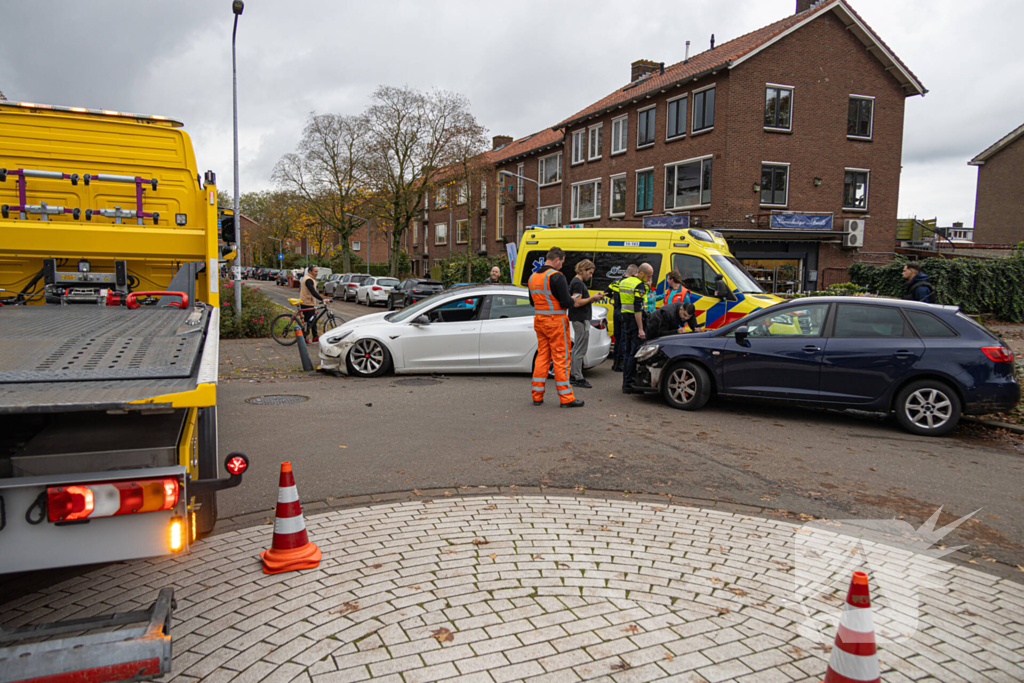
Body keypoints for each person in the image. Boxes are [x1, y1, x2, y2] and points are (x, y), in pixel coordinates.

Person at [529, 247, 584, 408]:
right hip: (556, 322)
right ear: (557, 260)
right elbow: (566, 303)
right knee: (561, 358)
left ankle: (537, 396)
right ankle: (566, 398)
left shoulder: (533, 277)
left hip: (540, 321)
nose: (562, 266)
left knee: (542, 357)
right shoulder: (557, 277)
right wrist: (573, 298)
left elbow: (533, 302)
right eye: (562, 262)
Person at [568, 259, 608, 389]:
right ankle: (577, 377)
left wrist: (593, 297)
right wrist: (592, 298)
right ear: (583, 270)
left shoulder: (577, 282)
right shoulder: (578, 283)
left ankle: (575, 376)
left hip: (580, 318)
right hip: (580, 319)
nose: (590, 276)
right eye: (590, 273)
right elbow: (577, 303)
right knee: (580, 349)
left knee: (578, 349)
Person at [620, 263, 654, 394]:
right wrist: (641, 328)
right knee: (635, 353)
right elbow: (638, 308)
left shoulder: (625, 281)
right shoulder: (639, 285)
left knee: (628, 352)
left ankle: (626, 382)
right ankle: (630, 383)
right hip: (635, 321)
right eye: (649, 276)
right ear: (641, 274)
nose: (650, 279)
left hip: (626, 319)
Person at [608, 264, 638, 372]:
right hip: (624, 311)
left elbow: (607, 292)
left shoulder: (616, 281)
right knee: (624, 339)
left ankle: (615, 362)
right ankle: (620, 363)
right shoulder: (631, 283)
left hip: (616, 310)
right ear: (634, 273)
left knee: (617, 338)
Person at [298, 265, 328, 341]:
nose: (316, 273)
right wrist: (322, 299)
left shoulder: (310, 279)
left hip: (309, 302)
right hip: (307, 303)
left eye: (317, 271)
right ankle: (304, 337)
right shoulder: (308, 280)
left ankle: (315, 336)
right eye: (315, 271)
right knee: (309, 321)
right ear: (310, 271)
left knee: (313, 320)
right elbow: (313, 292)